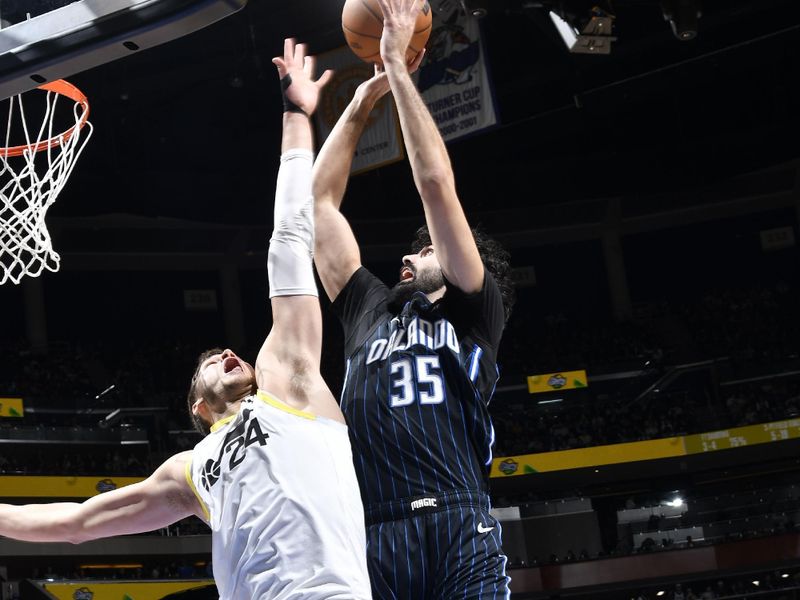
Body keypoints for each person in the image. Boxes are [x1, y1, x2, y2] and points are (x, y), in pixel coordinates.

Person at [0, 39, 372, 600]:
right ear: (197, 406)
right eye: (207, 363)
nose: (226, 353)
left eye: (225, 353)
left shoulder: (290, 380)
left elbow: (291, 239)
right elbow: (77, 524)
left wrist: (296, 116)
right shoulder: (189, 470)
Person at [312, 0, 515, 596]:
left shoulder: (475, 311)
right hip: (375, 531)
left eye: (424, 252)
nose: (406, 257)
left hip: (458, 521)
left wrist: (400, 69)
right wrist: (360, 100)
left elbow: (433, 184)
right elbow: (318, 208)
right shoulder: (369, 308)